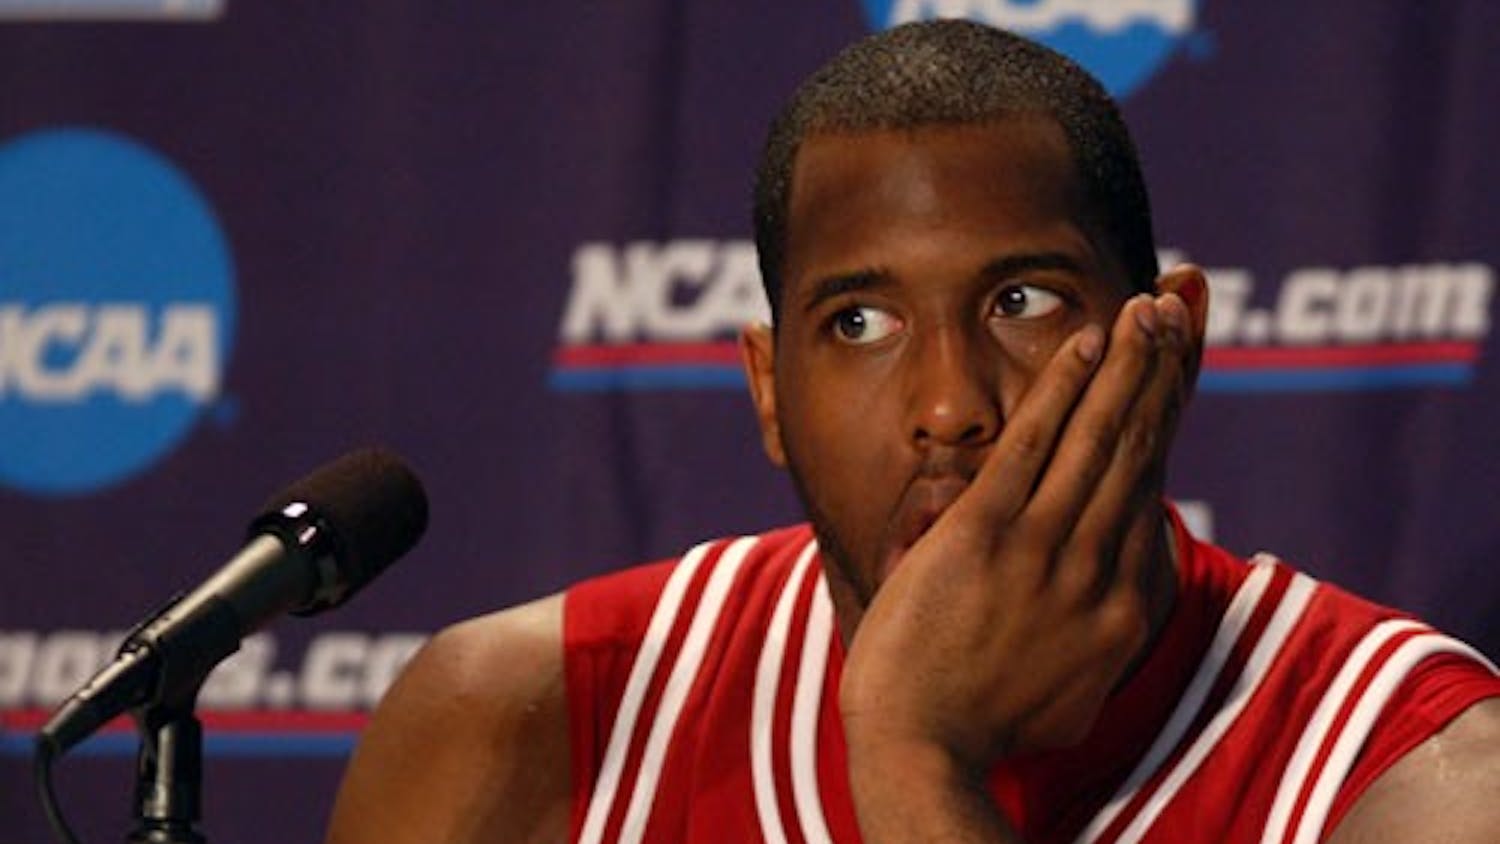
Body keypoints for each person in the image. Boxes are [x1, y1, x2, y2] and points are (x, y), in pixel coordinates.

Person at [324, 20, 1500, 844]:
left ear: (1169, 341)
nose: (951, 406)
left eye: (1022, 302)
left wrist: (907, 756)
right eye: (861, 321)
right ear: (768, 390)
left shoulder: (1411, 768)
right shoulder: (526, 729)